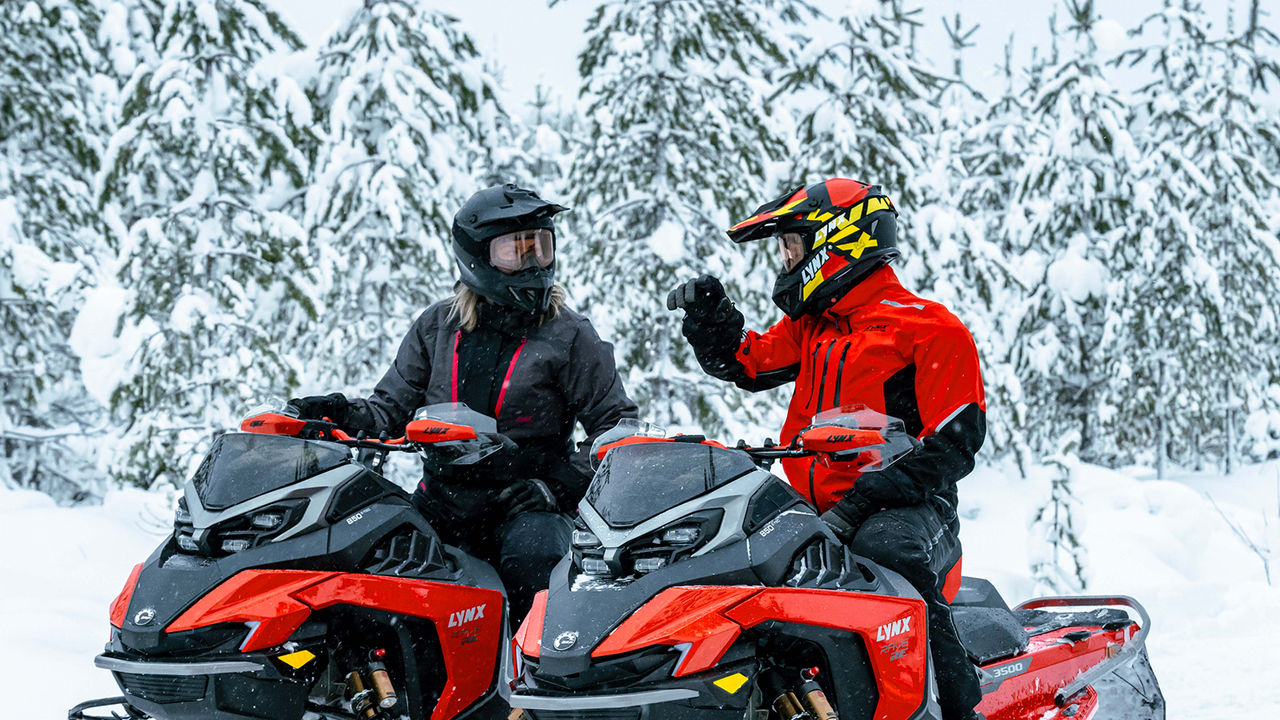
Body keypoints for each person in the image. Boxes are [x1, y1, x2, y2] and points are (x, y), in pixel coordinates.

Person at [667, 178, 986, 720]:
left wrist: (867, 499)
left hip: (907, 510)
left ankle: (958, 708)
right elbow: (746, 364)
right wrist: (710, 319)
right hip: (816, 509)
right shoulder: (813, 326)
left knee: (886, 553)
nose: (787, 259)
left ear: (839, 242)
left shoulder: (928, 328)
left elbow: (955, 443)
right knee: (728, 565)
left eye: (793, 245)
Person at [290, 183, 638, 619]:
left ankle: (534, 673)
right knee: (374, 559)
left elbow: (617, 428)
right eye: (516, 251)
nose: (534, 264)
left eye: (542, 248)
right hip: (443, 502)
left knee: (535, 560)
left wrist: (555, 486)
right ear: (476, 256)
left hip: (527, 505)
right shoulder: (437, 328)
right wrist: (338, 412)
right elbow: (388, 411)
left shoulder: (569, 335)